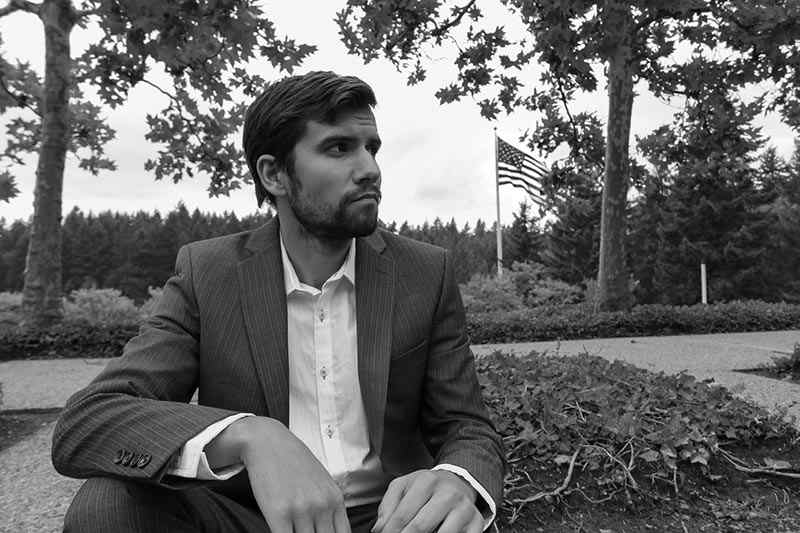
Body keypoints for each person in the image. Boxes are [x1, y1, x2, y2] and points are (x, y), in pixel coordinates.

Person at [52, 70, 505, 533]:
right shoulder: (208, 274)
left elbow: (466, 427)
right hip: (256, 520)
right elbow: (90, 419)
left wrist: (457, 478)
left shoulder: (425, 272)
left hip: (395, 520)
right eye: (339, 147)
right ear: (274, 174)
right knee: (108, 504)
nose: (370, 168)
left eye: (372, 147)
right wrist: (249, 434)